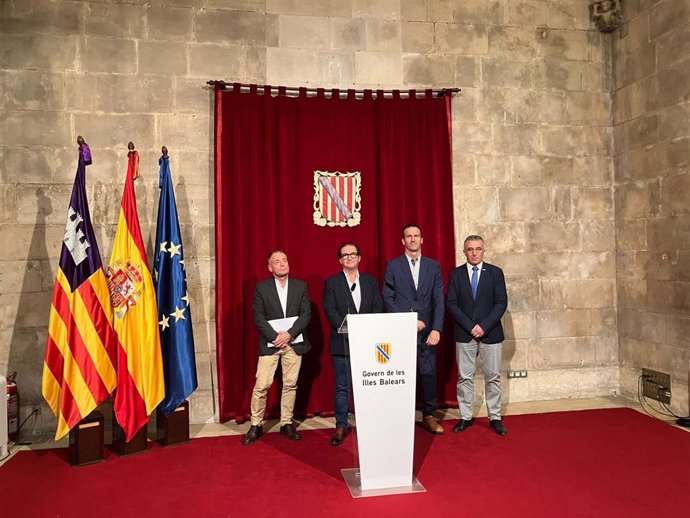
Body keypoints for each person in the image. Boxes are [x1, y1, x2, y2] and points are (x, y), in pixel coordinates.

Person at [242, 250, 311, 445]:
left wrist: (289, 334)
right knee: (262, 385)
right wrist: (275, 337)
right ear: (270, 267)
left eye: (285, 260)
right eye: (277, 262)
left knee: (290, 384)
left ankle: (286, 423)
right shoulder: (261, 288)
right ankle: (256, 424)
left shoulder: (300, 286)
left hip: (294, 342)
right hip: (270, 344)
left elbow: (306, 314)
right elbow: (258, 318)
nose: (282, 264)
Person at [383, 224, 445, 434]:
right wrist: (409, 321)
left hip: (428, 332)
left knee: (428, 374)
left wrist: (437, 328)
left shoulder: (433, 266)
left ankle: (428, 415)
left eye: (416, 235)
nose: (412, 239)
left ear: (422, 239)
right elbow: (388, 298)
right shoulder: (393, 266)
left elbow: (439, 299)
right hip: (401, 331)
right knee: (401, 375)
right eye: (408, 236)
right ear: (403, 241)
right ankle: (400, 418)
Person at [323, 242, 384, 446]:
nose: (349, 257)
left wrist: (365, 330)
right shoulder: (332, 283)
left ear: (359, 258)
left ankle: (370, 424)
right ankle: (341, 424)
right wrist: (351, 329)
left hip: (368, 343)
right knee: (342, 387)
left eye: (353, 254)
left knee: (368, 384)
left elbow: (378, 306)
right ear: (340, 260)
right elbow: (330, 311)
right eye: (345, 255)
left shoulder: (370, 281)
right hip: (343, 343)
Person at [447, 235, 508, 436]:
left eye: (478, 249)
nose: (474, 253)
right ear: (464, 252)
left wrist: (483, 326)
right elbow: (452, 305)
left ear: (484, 250)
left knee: (493, 377)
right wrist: (471, 326)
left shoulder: (495, 273)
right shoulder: (455, 275)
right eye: (470, 249)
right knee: (464, 377)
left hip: (490, 333)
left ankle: (495, 418)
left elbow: (501, 303)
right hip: (465, 334)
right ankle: (465, 416)